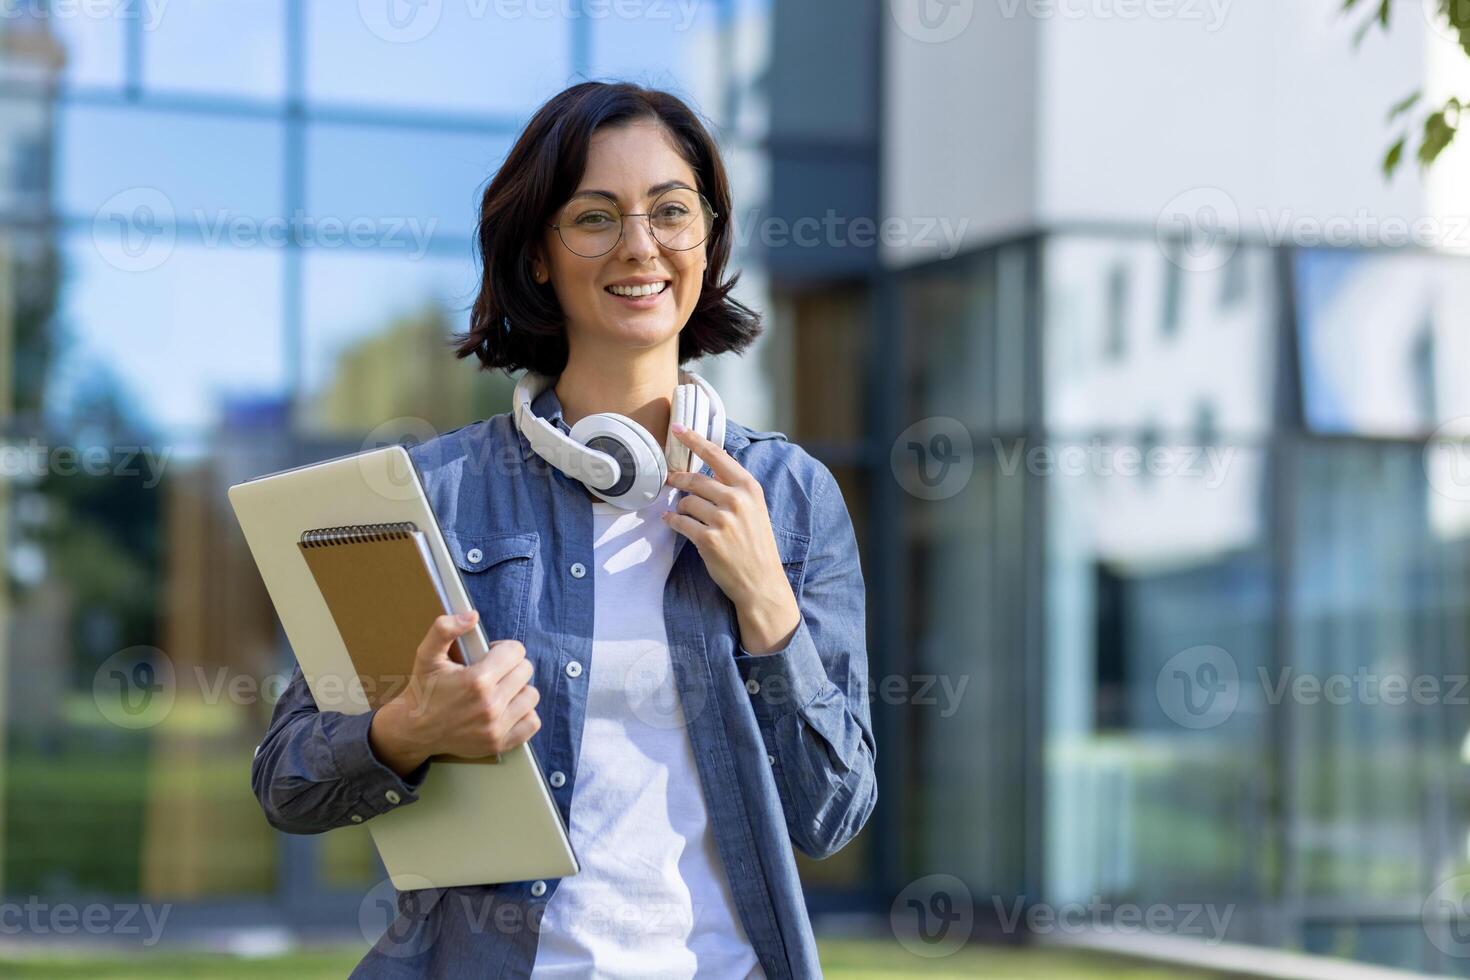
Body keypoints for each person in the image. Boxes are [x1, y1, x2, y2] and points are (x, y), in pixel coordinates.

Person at [250, 80, 876, 979]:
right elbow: (288, 780)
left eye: (671, 211)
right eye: (595, 217)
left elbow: (834, 813)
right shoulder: (437, 494)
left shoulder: (789, 496)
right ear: (540, 255)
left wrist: (768, 607)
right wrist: (407, 730)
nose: (640, 246)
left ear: (707, 235)